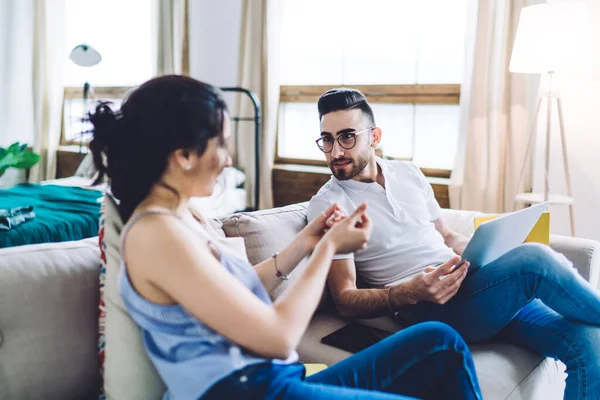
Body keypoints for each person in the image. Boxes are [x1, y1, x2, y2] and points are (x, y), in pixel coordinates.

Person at [89, 75, 482, 400]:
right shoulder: (155, 234)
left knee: (439, 340)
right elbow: (277, 338)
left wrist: (307, 242)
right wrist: (328, 250)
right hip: (244, 391)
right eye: (221, 144)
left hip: (274, 382)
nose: (228, 159)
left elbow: (234, 291)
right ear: (184, 155)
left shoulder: (182, 215)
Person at [307, 88, 600, 400]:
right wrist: (408, 292)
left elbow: (448, 237)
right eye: (327, 139)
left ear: (375, 136)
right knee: (535, 259)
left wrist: (492, 255)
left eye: (347, 136)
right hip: (428, 308)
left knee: (589, 343)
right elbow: (344, 299)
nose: (336, 150)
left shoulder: (408, 173)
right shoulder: (330, 205)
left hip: (473, 290)